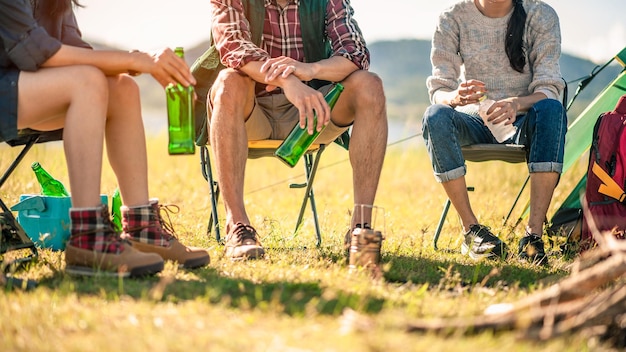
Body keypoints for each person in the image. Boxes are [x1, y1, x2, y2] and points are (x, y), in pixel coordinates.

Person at [0, 0, 210, 276]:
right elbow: (38, 52)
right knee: (87, 81)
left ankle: (141, 228)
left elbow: (76, 51)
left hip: (28, 92)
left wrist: (142, 64)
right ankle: (87, 237)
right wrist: (137, 58)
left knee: (123, 89)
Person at [203, 0, 387, 260]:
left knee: (370, 85)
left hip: (310, 114)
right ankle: (238, 228)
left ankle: (361, 229)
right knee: (228, 81)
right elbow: (233, 45)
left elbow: (355, 53)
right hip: (250, 111)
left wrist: (309, 69)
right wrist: (286, 80)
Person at [422, 0, 567, 264]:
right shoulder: (453, 17)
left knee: (552, 110)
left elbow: (550, 88)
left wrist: (516, 103)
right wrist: (455, 97)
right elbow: (438, 92)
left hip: (525, 123)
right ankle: (472, 231)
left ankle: (533, 237)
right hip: (474, 121)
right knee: (435, 116)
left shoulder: (541, 15)